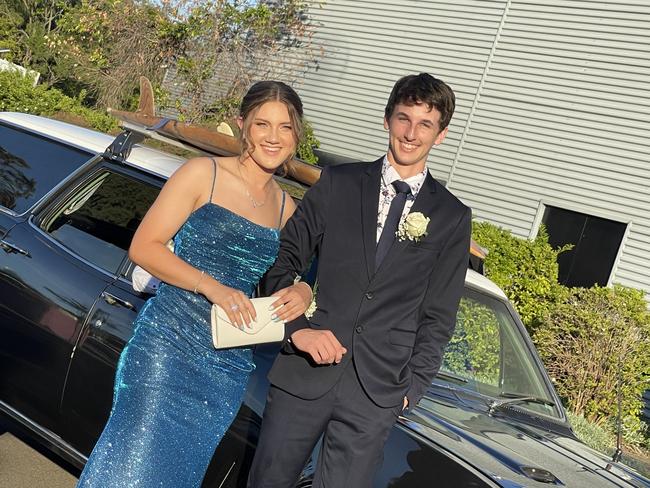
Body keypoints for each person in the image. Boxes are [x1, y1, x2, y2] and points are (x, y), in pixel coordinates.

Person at [77, 81, 312, 487]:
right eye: (262, 124)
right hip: (166, 348)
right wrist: (211, 286)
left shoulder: (288, 211)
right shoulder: (204, 173)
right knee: (129, 469)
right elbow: (144, 247)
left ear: (296, 135)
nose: (274, 137)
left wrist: (304, 291)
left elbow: (292, 280)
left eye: (286, 128)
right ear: (243, 126)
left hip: (225, 368)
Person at [247, 73, 472, 488]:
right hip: (304, 374)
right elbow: (282, 259)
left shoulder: (453, 217)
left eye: (425, 124)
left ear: (441, 135)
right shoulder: (339, 183)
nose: (411, 133)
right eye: (404, 118)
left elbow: (439, 315)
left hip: (377, 393)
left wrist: (412, 389)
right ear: (387, 119)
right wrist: (298, 331)